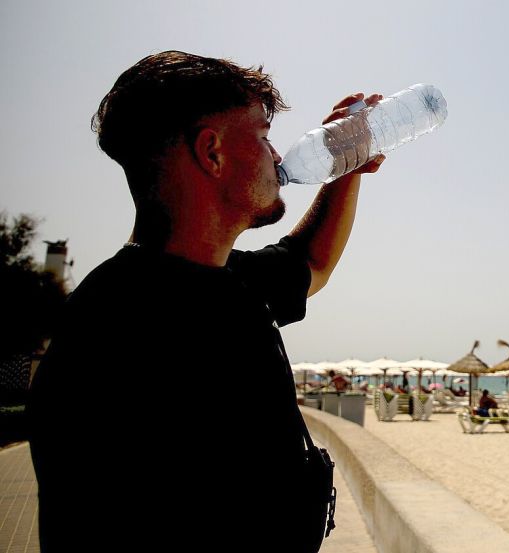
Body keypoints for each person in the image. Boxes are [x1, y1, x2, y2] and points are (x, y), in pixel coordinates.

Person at [27, 51, 386, 552]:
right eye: (263, 136)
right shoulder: (110, 337)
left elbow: (309, 264)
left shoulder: (224, 279)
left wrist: (346, 168)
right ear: (211, 152)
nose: (277, 156)